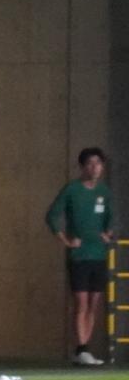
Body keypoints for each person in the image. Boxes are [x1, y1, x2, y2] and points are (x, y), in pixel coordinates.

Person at [46, 147, 115, 366]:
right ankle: (81, 347)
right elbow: (52, 215)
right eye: (90, 163)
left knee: (94, 303)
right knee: (81, 302)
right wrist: (66, 240)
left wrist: (108, 233)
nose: (95, 168)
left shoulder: (104, 191)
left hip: (99, 253)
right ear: (82, 166)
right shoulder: (72, 189)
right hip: (79, 255)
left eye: (98, 163)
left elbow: (112, 218)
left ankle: (86, 348)